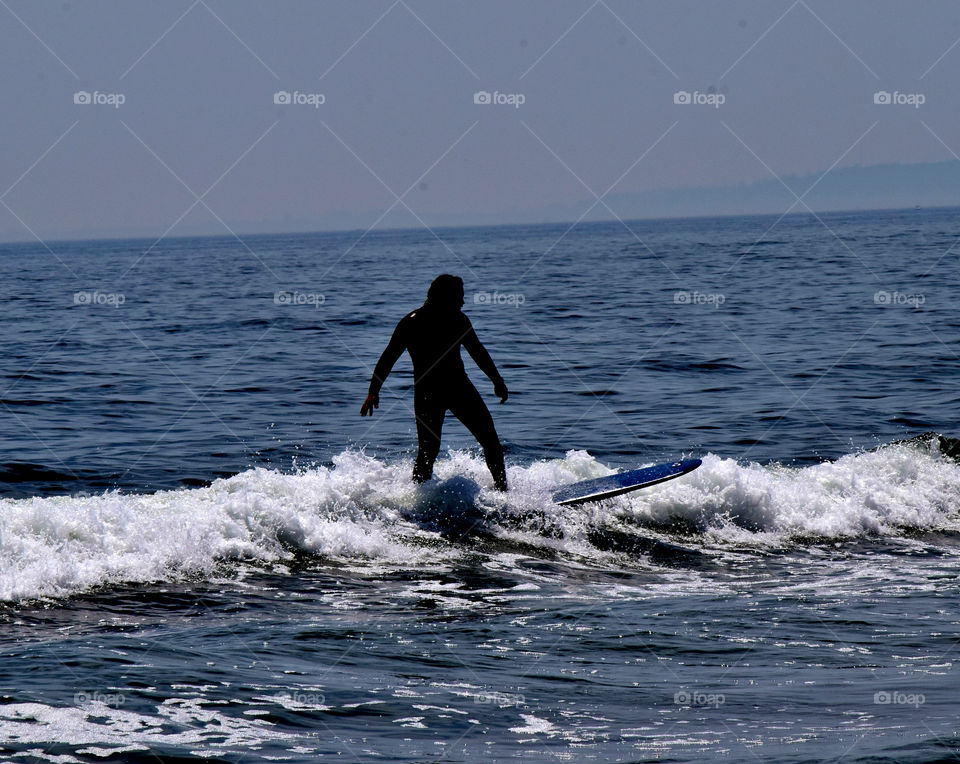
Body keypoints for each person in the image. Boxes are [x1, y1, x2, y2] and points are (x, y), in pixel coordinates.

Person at [361, 274, 509, 491]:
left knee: (489, 440)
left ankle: (503, 491)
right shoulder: (412, 323)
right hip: (431, 393)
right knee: (429, 451)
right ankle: (419, 498)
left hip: (457, 388)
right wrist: (373, 391)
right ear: (445, 297)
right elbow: (388, 358)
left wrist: (497, 380)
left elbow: (478, 352)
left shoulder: (458, 320)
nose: (462, 302)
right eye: (459, 297)